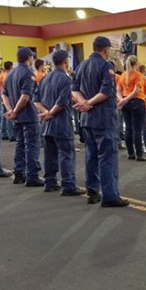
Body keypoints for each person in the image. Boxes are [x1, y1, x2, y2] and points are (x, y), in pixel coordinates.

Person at [72, 36, 129, 207]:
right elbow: (106, 91)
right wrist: (88, 103)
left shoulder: (81, 65)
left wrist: (83, 102)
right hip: (103, 118)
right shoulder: (106, 66)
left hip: (87, 119)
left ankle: (92, 190)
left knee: (91, 155)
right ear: (106, 49)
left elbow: (74, 89)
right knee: (107, 157)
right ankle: (110, 195)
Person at [33, 50, 85, 196]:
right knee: (66, 154)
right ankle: (68, 185)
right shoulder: (65, 79)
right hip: (60, 122)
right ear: (66, 62)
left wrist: (46, 112)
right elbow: (61, 103)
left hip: (47, 124)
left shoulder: (45, 78)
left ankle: (50, 182)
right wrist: (50, 113)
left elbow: (35, 100)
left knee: (50, 155)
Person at [2, 47, 43, 187]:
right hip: (28, 115)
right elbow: (25, 97)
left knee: (20, 144)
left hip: (17, 116)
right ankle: (32, 175)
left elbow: (4, 94)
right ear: (29, 58)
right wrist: (15, 110)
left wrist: (10, 110)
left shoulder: (11, 73)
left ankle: (18, 172)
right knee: (31, 145)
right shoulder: (27, 73)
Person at [117, 55, 146, 161]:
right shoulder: (138, 75)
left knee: (128, 129)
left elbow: (118, 90)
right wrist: (125, 100)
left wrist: (122, 99)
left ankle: (130, 153)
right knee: (137, 129)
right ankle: (139, 154)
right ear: (136, 63)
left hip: (126, 102)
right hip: (137, 101)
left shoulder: (123, 75)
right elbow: (136, 91)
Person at [0, 61, 15, 141]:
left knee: (4, 116)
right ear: (11, 67)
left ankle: (4, 133)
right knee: (9, 115)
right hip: (8, 97)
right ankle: (11, 135)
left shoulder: (1, 75)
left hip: (2, 96)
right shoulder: (10, 76)